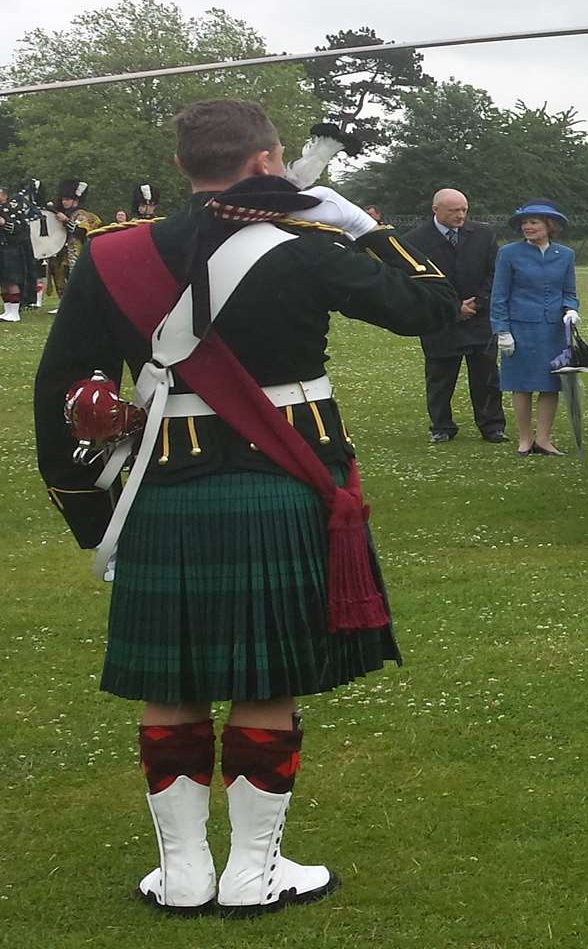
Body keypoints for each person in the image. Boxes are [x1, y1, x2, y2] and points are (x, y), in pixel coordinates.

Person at [32, 98, 457, 914]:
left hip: (164, 489)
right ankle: (252, 874)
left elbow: (64, 395)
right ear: (267, 163)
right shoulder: (309, 248)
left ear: (189, 166)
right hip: (289, 480)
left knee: (175, 676)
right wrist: (364, 225)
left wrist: (96, 519)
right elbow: (432, 310)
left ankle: (186, 876)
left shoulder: (113, 253)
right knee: (267, 679)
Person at [403, 188, 506, 443]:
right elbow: (411, 282)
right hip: (439, 321)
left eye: (464, 210)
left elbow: (495, 274)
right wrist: (452, 307)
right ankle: (442, 426)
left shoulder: (483, 235)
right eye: (454, 211)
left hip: (479, 319)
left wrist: (477, 304)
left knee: (486, 377)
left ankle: (492, 426)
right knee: (440, 377)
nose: (460, 215)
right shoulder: (413, 241)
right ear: (435, 210)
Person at [491, 198, 579, 456]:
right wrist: (502, 330)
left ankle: (543, 438)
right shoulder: (509, 253)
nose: (527, 227)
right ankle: (525, 438)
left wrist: (571, 309)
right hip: (519, 329)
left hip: (553, 330)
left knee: (550, 384)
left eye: (533, 222)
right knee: (521, 383)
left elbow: (569, 292)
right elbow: (499, 295)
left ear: (548, 225)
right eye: (524, 223)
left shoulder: (565, 255)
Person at [48, 178, 101, 309]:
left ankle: (77, 305)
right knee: (59, 276)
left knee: (73, 278)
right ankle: (64, 304)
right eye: (63, 199)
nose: (64, 202)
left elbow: (81, 232)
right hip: (60, 250)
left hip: (75, 251)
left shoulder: (82, 215)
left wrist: (66, 221)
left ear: (75, 200)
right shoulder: (60, 213)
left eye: (67, 199)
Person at [0, 184, 34, 322]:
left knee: (11, 281)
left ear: (5, 195)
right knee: (3, 282)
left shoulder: (14, 208)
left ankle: (15, 313)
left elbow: (20, 230)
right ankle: (7, 310)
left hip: (11, 250)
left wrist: (4, 223)